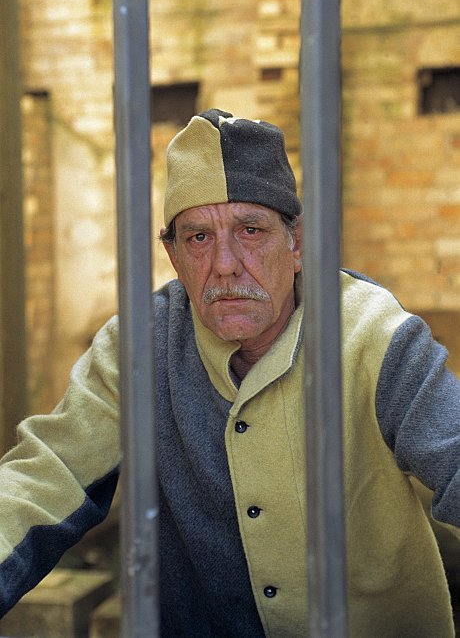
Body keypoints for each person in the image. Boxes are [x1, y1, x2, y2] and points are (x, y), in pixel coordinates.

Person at [0, 108, 459, 637]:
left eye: (250, 230)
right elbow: (44, 478)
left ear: (297, 243)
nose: (224, 264)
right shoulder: (140, 346)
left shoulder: (371, 334)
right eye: (198, 237)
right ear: (173, 256)